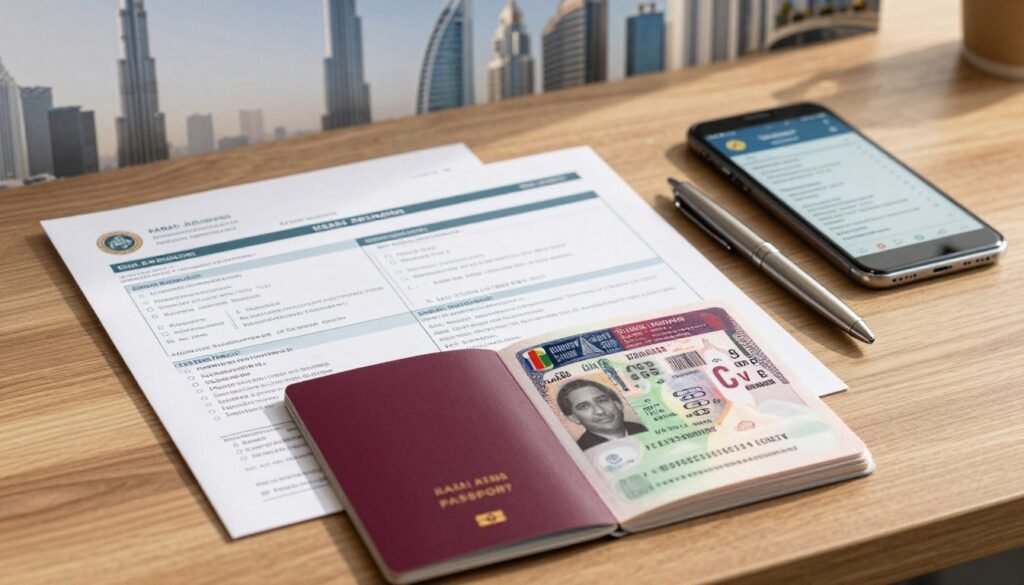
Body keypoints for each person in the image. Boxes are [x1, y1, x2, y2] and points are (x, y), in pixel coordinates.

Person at [556, 379, 647, 451]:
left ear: (617, 404)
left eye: (602, 401)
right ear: (574, 418)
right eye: (584, 406)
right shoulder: (583, 449)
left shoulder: (641, 428)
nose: (599, 411)